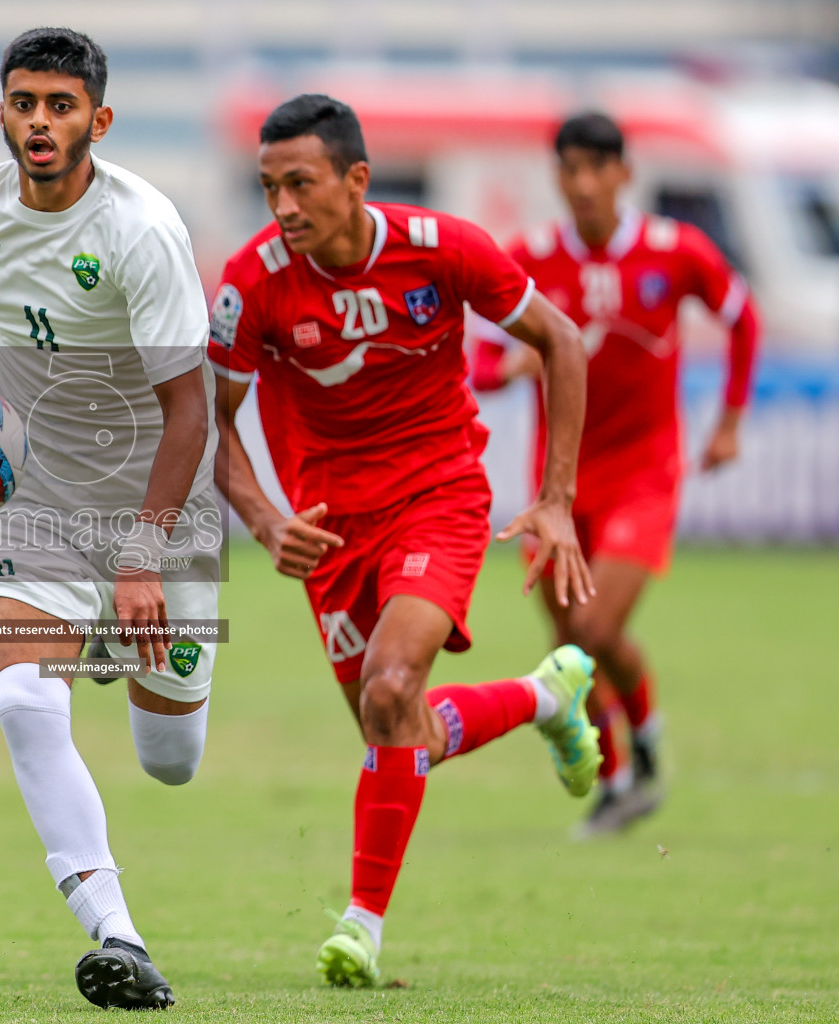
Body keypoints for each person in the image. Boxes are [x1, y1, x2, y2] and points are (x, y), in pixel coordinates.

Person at [209, 94, 600, 988]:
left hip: (438, 495)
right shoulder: (252, 283)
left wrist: (556, 501)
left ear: (356, 179)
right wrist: (266, 519)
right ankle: (544, 698)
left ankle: (361, 927)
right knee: (398, 733)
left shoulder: (443, 247)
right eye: (269, 188)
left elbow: (562, 340)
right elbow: (208, 424)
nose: (284, 209)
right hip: (327, 527)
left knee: (392, 690)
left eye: (300, 185)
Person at [0, 27, 218, 1010]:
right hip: (32, 496)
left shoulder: (143, 231)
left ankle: (135, 651)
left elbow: (192, 409)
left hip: (153, 503)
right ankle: (117, 936)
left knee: (169, 760)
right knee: (22, 703)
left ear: (99, 118)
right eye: (22, 103)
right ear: (2, 108)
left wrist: (142, 553)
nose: (38, 123)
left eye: (58, 105)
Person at [471, 111, 759, 837]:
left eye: (599, 168)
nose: (584, 184)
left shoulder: (675, 252)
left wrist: (727, 422)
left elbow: (742, 317)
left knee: (595, 629)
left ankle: (648, 742)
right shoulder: (530, 258)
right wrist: (509, 366)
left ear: (625, 174)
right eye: (571, 169)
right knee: (572, 642)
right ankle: (620, 779)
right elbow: (475, 355)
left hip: (643, 473)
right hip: (558, 488)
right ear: (558, 177)